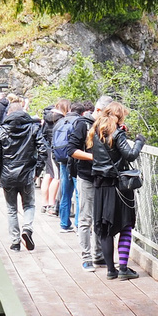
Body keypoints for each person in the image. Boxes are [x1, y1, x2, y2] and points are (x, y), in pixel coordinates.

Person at [88, 102, 146, 280]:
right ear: (119, 116)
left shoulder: (95, 132)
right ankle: (123, 268)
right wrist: (139, 141)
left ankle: (110, 271)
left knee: (105, 229)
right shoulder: (117, 133)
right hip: (118, 186)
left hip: (100, 186)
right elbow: (129, 155)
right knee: (126, 225)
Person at [0, 96, 46, 252]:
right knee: (29, 205)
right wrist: (37, 171)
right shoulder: (33, 128)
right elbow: (43, 151)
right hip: (27, 174)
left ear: (8, 113)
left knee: (11, 209)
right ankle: (27, 229)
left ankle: (15, 243)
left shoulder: (0, 132)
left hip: (7, 176)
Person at [68, 100, 102, 268]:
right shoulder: (82, 124)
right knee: (85, 217)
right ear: (99, 109)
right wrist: (93, 158)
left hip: (102, 177)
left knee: (99, 217)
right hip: (86, 176)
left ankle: (98, 254)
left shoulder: (105, 125)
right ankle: (86, 257)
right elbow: (72, 150)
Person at [50, 100, 82, 232]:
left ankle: (64, 223)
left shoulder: (59, 122)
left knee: (65, 192)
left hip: (62, 160)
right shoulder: (79, 122)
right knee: (78, 193)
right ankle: (79, 224)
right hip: (75, 160)